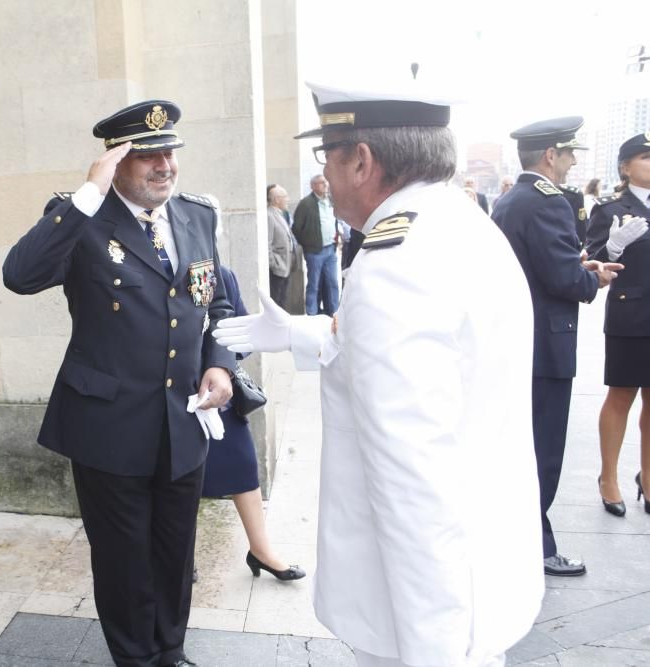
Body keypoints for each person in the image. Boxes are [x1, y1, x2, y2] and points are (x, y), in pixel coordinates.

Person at [215, 76, 544, 667]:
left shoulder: (397, 261)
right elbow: (436, 358)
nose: (328, 174)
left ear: (361, 160)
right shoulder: (454, 224)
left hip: (424, 612)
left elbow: (412, 474)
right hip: (476, 568)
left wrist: (433, 650)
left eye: (329, 158)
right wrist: (298, 331)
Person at [3, 99, 235, 667]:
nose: (164, 166)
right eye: (147, 155)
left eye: (170, 152)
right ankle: (134, 659)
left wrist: (220, 364)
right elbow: (19, 276)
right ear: (116, 161)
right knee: (123, 559)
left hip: (184, 420)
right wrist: (87, 195)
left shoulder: (198, 215)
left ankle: (170, 651)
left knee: (176, 552)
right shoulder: (81, 217)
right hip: (108, 425)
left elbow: (220, 302)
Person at [492, 116, 622, 577]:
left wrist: (576, 264)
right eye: (568, 155)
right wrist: (593, 277)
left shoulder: (511, 200)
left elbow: (538, 265)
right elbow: (562, 277)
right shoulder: (548, 203)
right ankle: (536, 547)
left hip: (518, 341)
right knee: (542, 452)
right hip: (545, 347)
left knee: (520, 447)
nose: (570, 164)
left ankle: (516, 539)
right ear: (550, 155)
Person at [201, 197, 304, 583]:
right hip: (171, 396)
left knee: (243, 469)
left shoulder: (221, 275)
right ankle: (178, 555)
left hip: (219, 396)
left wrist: (217, 359)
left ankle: (261, 551)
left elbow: (243, 336)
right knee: (178, 478)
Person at [584, 132, 650, 516]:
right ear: (625, 168)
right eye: (645, 158)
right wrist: (612, 248)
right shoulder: (609, 209)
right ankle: (609, 477)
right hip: (631, 312)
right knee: (621, 396)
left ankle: (649, 475)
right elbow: (591, 259)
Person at [291, 174, 340, 315]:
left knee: (332, 283)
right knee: (314, 284)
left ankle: (334, 313)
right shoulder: (306, 204)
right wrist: (307, 243)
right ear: (313, 186)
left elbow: (334, 220)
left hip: (331, 248)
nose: (325, 185)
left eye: (326, 182)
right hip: (315, 251)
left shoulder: (330, 200)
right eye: (321, 183)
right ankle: (312, 314)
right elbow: (296, 228)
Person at [266, 183, 295, 309]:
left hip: (285, 266)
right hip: (278, 268)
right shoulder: (269, 215)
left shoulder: (280, 214)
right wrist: (274, 264)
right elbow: (268, 243)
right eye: (285, 196)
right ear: (277, 199)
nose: (288, 199)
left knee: (282, 301)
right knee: (276, 303)